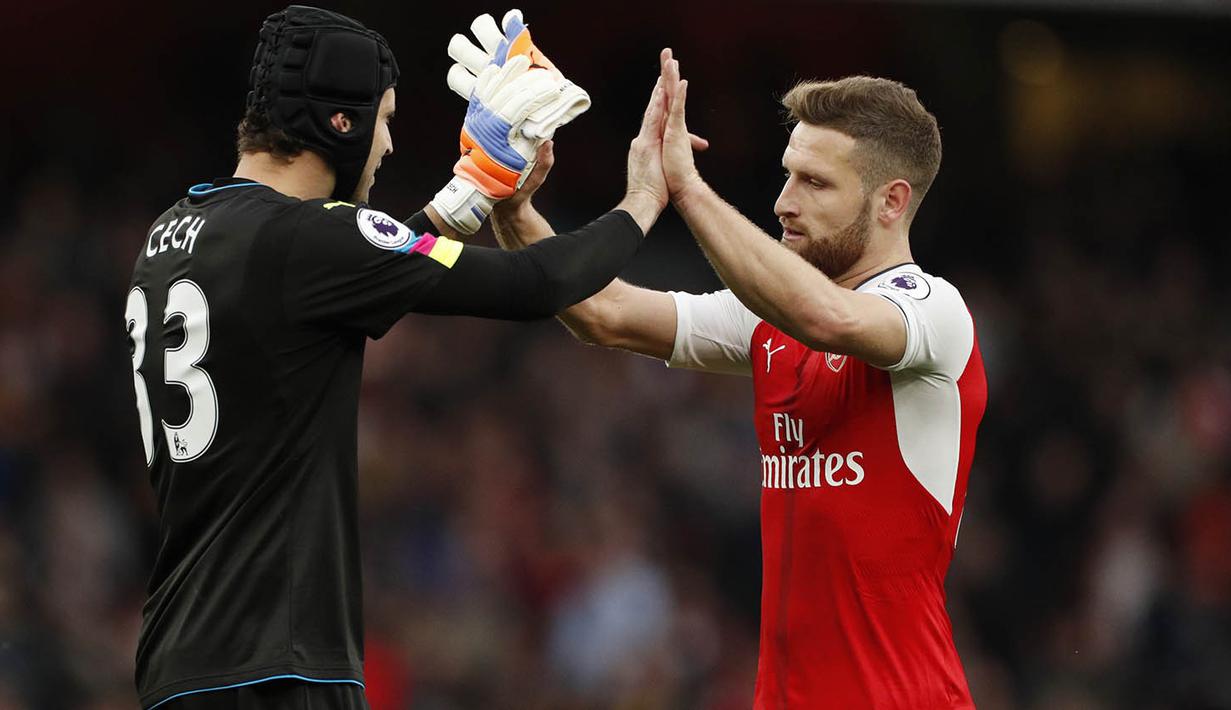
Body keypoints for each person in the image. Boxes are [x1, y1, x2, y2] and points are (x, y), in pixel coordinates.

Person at [123, 7, 670, 709]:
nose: (387, 144)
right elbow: (540, 283)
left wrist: (472, 188)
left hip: (181, 657)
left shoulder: (177, 231)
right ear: (339, 124)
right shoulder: (307, 243)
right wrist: (646, 197)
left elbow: (351, 265)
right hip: (277, 669)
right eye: (382, 119)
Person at [492, 50, 988, 709]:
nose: (784, 202)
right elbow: (601, 313)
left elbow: (829, 317)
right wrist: (506, 197)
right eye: (787, 176)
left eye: (815, 183)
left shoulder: (934, 312)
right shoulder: (765, 320)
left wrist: (686, 188)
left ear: (891, 201)